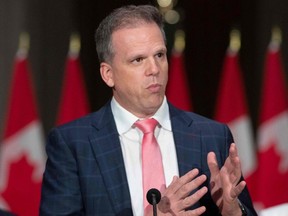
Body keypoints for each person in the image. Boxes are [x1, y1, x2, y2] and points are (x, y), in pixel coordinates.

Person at [40, 4, 257, 216]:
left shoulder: (212, 136)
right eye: (138, 60)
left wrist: (232, 211)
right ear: (108, 74)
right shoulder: (72, 145)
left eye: (159, 55)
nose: (154, 69)